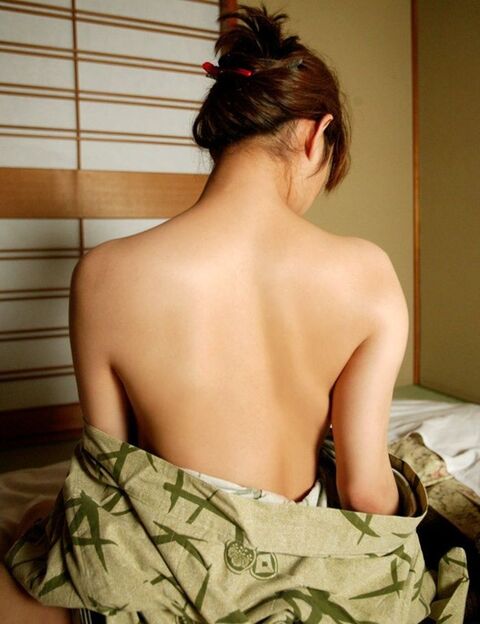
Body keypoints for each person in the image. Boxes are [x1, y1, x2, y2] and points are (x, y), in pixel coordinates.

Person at [1, 5, 469, 624]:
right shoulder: (368, 273)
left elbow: (112, 477)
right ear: (317, 135)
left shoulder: (103, 273)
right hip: (313, 577)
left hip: (161, 571)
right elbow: (363, 491)